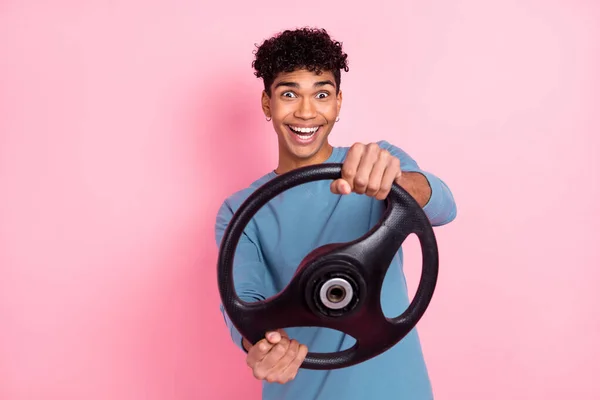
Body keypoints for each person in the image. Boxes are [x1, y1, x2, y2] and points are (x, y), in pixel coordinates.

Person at [215, 27, 457, 400]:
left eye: (322, 94)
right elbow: (241, 306)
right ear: (267, 104)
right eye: (289, 93)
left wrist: (397, 181)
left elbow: (442, 205)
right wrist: (260, 349)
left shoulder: (379, 161)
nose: (307, 111)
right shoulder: (239, 210)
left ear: (338, 102)